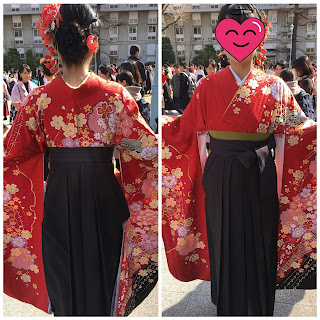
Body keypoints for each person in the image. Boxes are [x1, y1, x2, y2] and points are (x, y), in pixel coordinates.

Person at [162, 4, 316, 317]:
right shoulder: (207, 86)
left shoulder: (273, 87)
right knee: (225, 236)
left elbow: (301, 132)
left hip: (258, 170)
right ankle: (230, 304)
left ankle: (259, 305)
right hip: (223, 172)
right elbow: (182, 130)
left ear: (259, 38)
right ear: (222, 40)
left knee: (260, 237)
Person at [4, 4, 158, 317]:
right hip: (104, 196)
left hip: (58, 200)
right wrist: (115, 144)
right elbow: (145, 149)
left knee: (64, 280)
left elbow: (14, 155)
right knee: (103, 279)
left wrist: (43, 176)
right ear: (93, 43)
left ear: (54, 46)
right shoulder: (116, 95)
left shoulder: (39, 100)